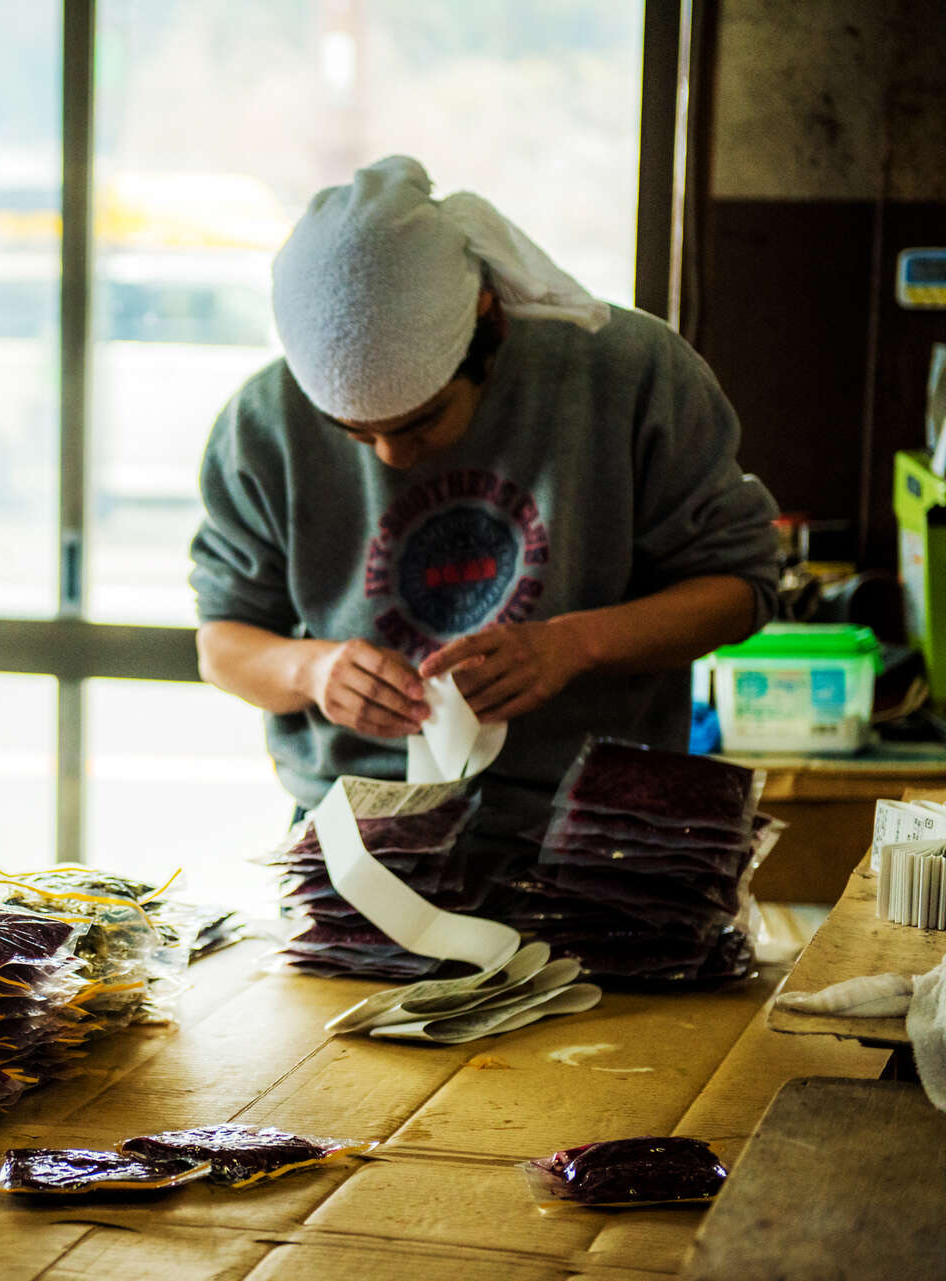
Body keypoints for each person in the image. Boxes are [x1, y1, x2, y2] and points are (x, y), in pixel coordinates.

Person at [190, 156, 781, 838]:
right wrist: (312, 667)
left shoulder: (627, 373)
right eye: (354, 433)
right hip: (361, 827)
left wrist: (574, 644)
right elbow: (222, 643)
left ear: (489, 323)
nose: (391, 457)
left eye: (420, 423)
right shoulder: (266, 419)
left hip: (601, 824)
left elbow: (743, 587)